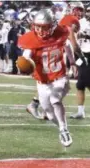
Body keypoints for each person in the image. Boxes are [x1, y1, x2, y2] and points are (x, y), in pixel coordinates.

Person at [17, 9, 75, 147]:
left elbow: (67, 45)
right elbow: (26, 55)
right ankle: (61, 127)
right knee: (49, 114)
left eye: (45, 27)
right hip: (42, 83)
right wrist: (24, 63)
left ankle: (64, 129)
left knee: (55, 99)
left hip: (59, 77)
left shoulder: (60, 33)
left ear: (53, 25)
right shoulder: (31, 40)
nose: (41, 30)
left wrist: (72, 62)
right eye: (38, 27)